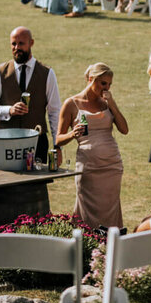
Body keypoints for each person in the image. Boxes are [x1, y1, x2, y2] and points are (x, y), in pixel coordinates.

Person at [57, 62, 128, 229]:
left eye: (109, 84)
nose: (106, 88)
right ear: (90, 79)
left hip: (112, 165)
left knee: (111, 210)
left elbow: (124, 129)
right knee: (87, 211)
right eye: (103, 83)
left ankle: (110, 248)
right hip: (88, 166)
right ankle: (87, 249)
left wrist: (112, 104)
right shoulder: (71, 104)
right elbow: (58, 139)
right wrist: (72, 134)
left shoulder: (106, 102)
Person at [0, 26, 62, 160]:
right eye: (13, 44)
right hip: (7, 144)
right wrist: (9, 110)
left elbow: (55, 112)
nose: (16, 48)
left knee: (38, 181)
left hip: (37, 143)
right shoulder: (1, 72)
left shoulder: (47, 73)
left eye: (21, 43)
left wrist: (57, 146)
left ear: (31, 43)